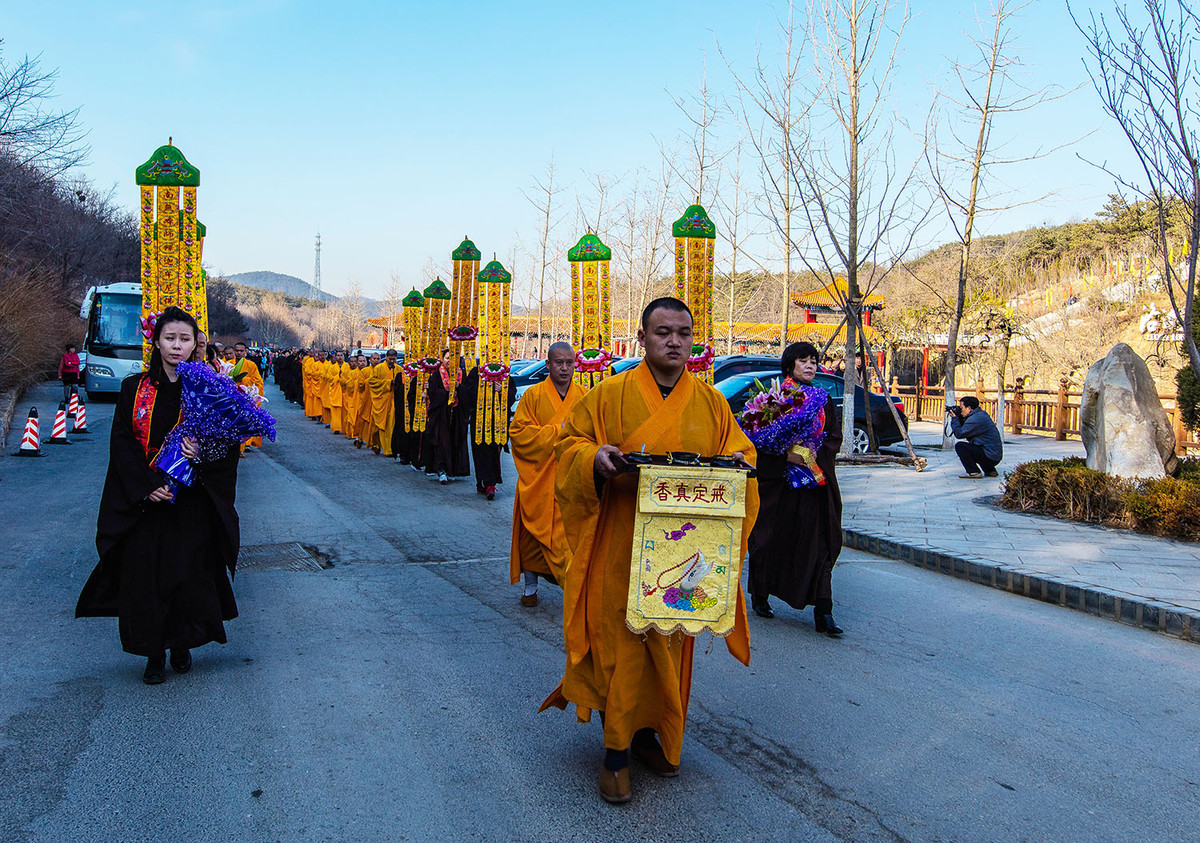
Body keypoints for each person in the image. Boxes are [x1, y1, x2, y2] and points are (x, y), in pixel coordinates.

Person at [539, 297, 759, 804]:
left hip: (685, 555)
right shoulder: (609, 394)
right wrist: (594, 457)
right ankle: (616, 754)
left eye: (684, 332)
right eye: (663, 332)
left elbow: (743, 456)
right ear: (642, 338)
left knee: (671, 649)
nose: (675, 341)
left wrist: (730, 469)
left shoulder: (710, 402)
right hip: (622, 546)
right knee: (624, 648)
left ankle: (655, 738)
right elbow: (568, 447)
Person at [75, 306, 240, 685]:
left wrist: (203, 455)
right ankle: (153, 652)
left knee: (186, 574)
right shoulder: (135, 388)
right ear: (157, 341)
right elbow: (122, 444)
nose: (177, 346)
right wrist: (147, 487)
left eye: (185, 339)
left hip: (190, 502)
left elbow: (228, 445)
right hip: (145, 505)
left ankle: (181, 643)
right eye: (170, 338)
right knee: (146, 579)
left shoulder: (208, 388)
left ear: (195, 344)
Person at [745, 341, 846, 636]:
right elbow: (758, 441)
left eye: (814, 360)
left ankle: (823, 610)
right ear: (790, 365)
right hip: (779, 485)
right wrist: (786, 456)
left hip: (814, 481)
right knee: (769, 540)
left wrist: (813, 456)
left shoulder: (823, 399)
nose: (810, 365)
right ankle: (760, 593)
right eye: (803, 360)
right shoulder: (773, 398)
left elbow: (833, 437)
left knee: (820, 544)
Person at [508, 342, 582, 607]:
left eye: (569, 363)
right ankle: (530, 587)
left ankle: (574, 586)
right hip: (537, 478)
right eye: (558, 363)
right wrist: (557, 431)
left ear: (575, 364)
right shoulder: (534, 396)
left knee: (569, 539)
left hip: (570, 480)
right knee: (531, 535)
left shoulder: (584, 396)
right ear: (547, 364)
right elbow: (518, 434)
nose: (564, 368)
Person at [460, 360, 515, 499]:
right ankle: (481, 482)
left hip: (497, 421)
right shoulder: (476, 372)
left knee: (493, 452)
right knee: (479, 451)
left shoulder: (504, 373)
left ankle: (490, 484)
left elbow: (511, 394)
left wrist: (502, 391)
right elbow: (467, 393)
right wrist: (482, 389)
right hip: (479, 419)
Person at [422, 349, 460, 484]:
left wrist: (458, 389)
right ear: (442, 359)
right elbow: (432, 392)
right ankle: (441, 469)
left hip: (456, 415)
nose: (450, 361)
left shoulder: (460, 373)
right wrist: (447, 393)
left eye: (453, 358)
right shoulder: (437, 374)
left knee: (454, 442)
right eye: (447, 358)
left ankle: (452, 470)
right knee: (442, 442)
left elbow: (466, 392)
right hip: (441, 413)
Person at [949, 396, 1003, 478]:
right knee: (976, 447)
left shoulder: (975, 419)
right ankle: (990, 470)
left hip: (990, 456)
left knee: (961, 446)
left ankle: (974, 472)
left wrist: (955, 419)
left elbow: (959, 433)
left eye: (961, 408)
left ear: (969, 408)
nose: (960, 410)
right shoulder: (980, 415)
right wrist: (959, 417)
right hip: (994, 455)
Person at [231, 342, 265, 453]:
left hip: (246, 397)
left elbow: (258, 382)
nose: (238, 353)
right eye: (237, 350)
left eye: (241, 351)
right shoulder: (230, 364)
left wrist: (243, 380)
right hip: (232, 397)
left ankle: (246, 443)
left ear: (246, 351)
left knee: (246, 420)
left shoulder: (251, 365)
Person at [368, 350, 398, 456]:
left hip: (393, 402)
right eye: (390, 359)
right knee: (378, 426)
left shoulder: (399, 369)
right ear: (386, 357)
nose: (391, 361)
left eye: (394, 359)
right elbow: (371, 382)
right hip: (380, 401)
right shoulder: (378, 369)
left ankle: (389, 450)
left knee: (390, 426)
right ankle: (376, 444)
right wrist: (389, 383)